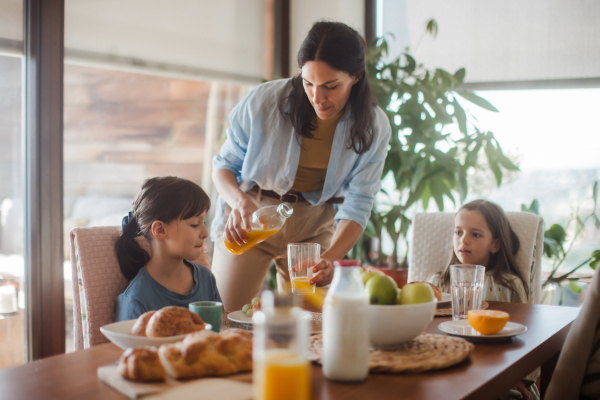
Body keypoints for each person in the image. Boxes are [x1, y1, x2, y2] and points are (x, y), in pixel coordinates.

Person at [211, 21, 391, 311]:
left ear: (356, 76)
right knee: (229, 318)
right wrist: (238, 202)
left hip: (313, 222)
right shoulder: (264, 102)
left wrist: (330, 258)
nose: (317, 98)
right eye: (308, 83)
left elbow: (359, 202)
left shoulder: (374, 126)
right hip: (254, 214)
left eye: (330, 86)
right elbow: (223, 167)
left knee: (314, 328)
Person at [428, 199, 538, 400]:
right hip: (448, 370)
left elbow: (526, 337)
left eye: (475, 234)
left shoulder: (508, 286)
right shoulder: (438, 283)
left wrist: (520, 378)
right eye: (458, 232)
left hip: (499, 372)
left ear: (495, 244)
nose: (464, 240)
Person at [114, 176, 221, 322]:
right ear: (160, 229)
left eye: (203, 222)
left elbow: (221, 333)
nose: (205, 233)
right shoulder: (136, 299)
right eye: (195, 224)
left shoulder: (206, 278)